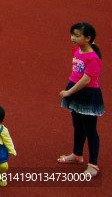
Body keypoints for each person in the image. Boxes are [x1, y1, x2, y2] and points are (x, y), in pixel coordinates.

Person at [57, 22, 103, 179]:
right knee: (77, 125)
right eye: (72, 35)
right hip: (76, 92)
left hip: (87, 95)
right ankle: (77, 155)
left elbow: (86, 80)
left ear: (88, 38)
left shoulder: (93, 59)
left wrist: (68, 92)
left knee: (90, 130)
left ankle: (93, 165)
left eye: (77, 36)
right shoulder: (78, 50)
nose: (73, 38)